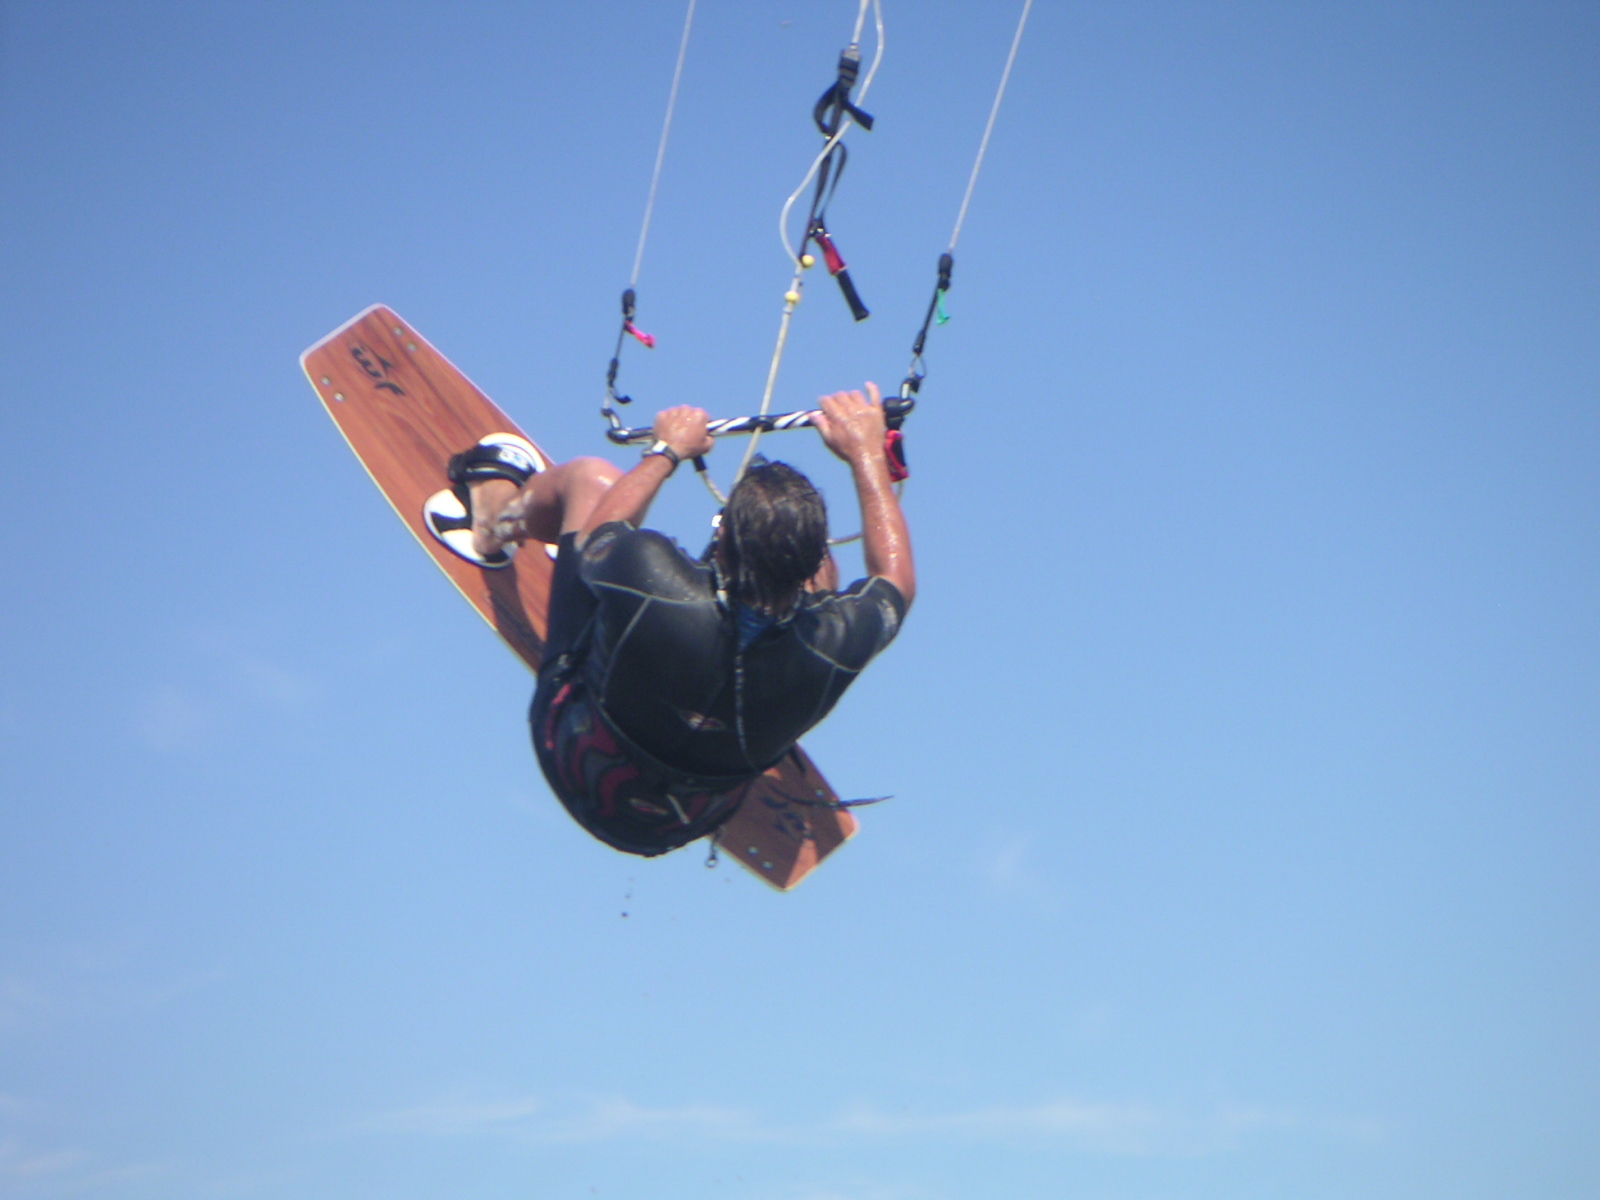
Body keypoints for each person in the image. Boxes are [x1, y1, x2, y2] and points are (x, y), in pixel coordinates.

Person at [434, 383, 914, 857]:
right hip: (682, 823)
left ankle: (491, 520)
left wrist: (666, 451)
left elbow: (596, 537)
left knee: (593, 481)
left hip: (568, 756)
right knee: (827, 601)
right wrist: (867, 454)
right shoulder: (836, 643)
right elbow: (897, 583)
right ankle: (739, 719)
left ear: (722, 536)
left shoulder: (649, 575)